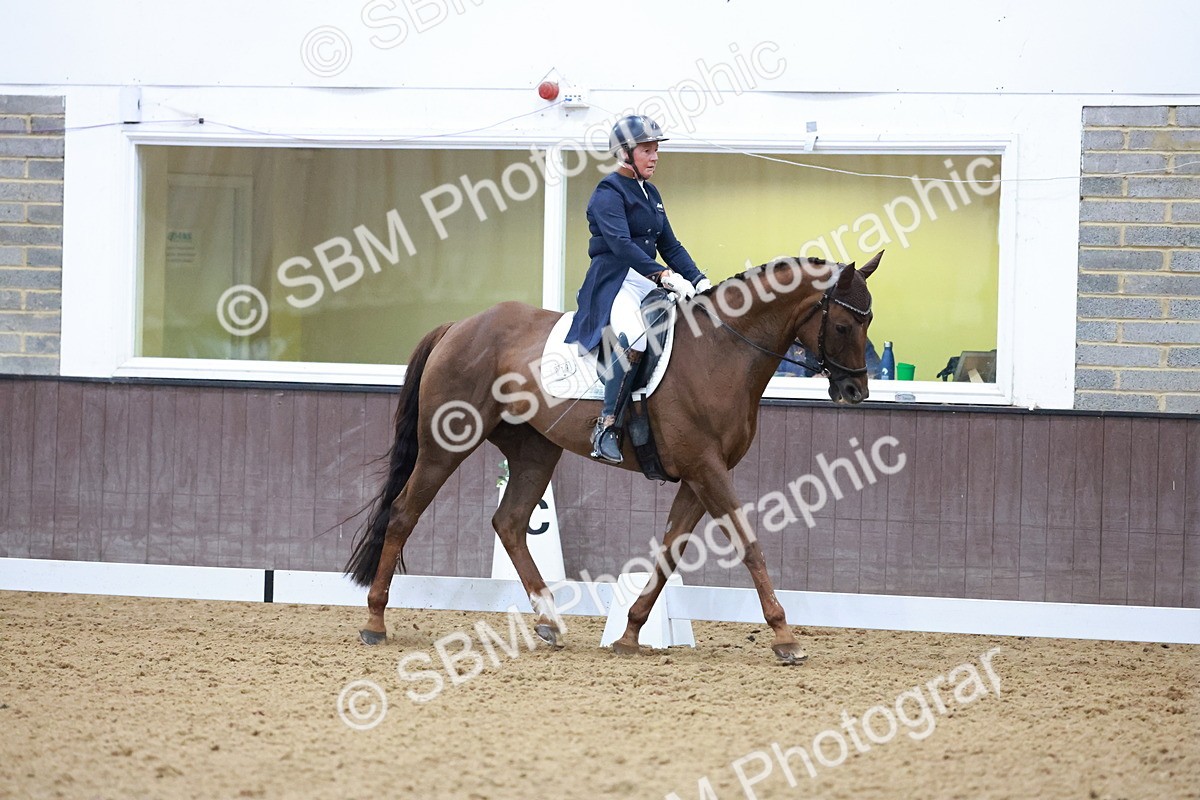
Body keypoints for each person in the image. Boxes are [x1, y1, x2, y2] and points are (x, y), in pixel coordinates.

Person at [565, 115, 711, 464]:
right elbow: (620, 245)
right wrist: (662, 275)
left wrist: (698, 279)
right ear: (626, 153)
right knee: (636, 337)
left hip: (645, 277)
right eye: (647, 150)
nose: (655, 156)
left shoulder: (651, 192)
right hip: (615, 279)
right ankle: (607, 427)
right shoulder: (608, 192)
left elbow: (670, 244)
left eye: (656, 149)